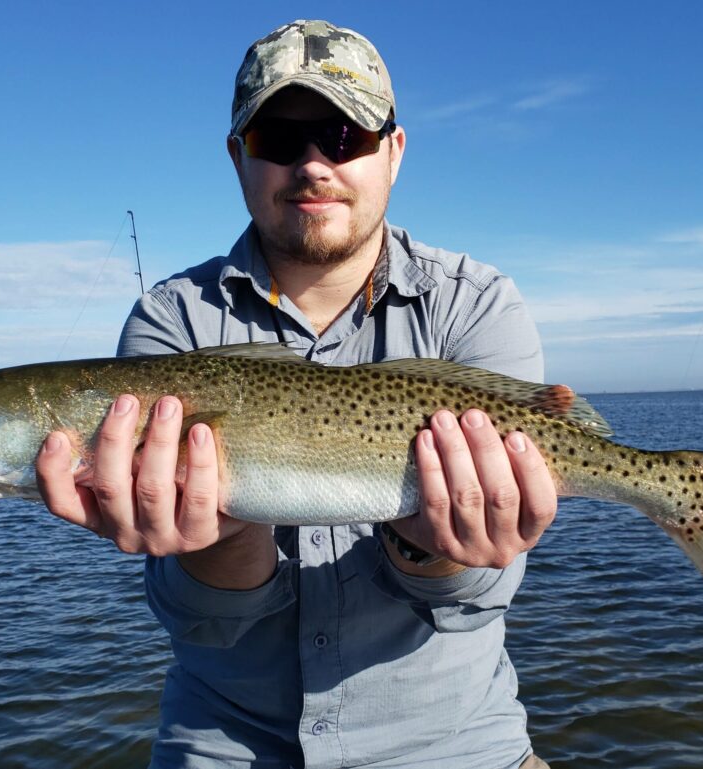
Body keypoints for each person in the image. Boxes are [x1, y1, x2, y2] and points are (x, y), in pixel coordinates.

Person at [36, 19, 556, 769]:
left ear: (395, 152)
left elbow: (469, 596)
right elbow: (201, 616)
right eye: (280, 137)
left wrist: (432, 542)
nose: (314, 163)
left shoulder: (478, 305)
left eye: (345, 136)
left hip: (458, 746)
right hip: (224, 745)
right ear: (238, 157)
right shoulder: (168, 321)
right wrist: (225, 525)